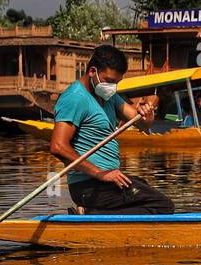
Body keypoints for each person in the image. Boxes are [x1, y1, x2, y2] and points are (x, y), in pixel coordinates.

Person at [50, 45, 174, 215]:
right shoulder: (74, 98)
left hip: (106, 182)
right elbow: (58, 147)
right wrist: (100, 173)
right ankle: (91, 214)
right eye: (109, 81)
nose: (112, 87)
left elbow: (143, 124)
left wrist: (148, 113)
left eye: (116, 83)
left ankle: (94, 213)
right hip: (88, 185)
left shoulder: (108, 96)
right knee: (162, 206)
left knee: (142, 184)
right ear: (92, 71)